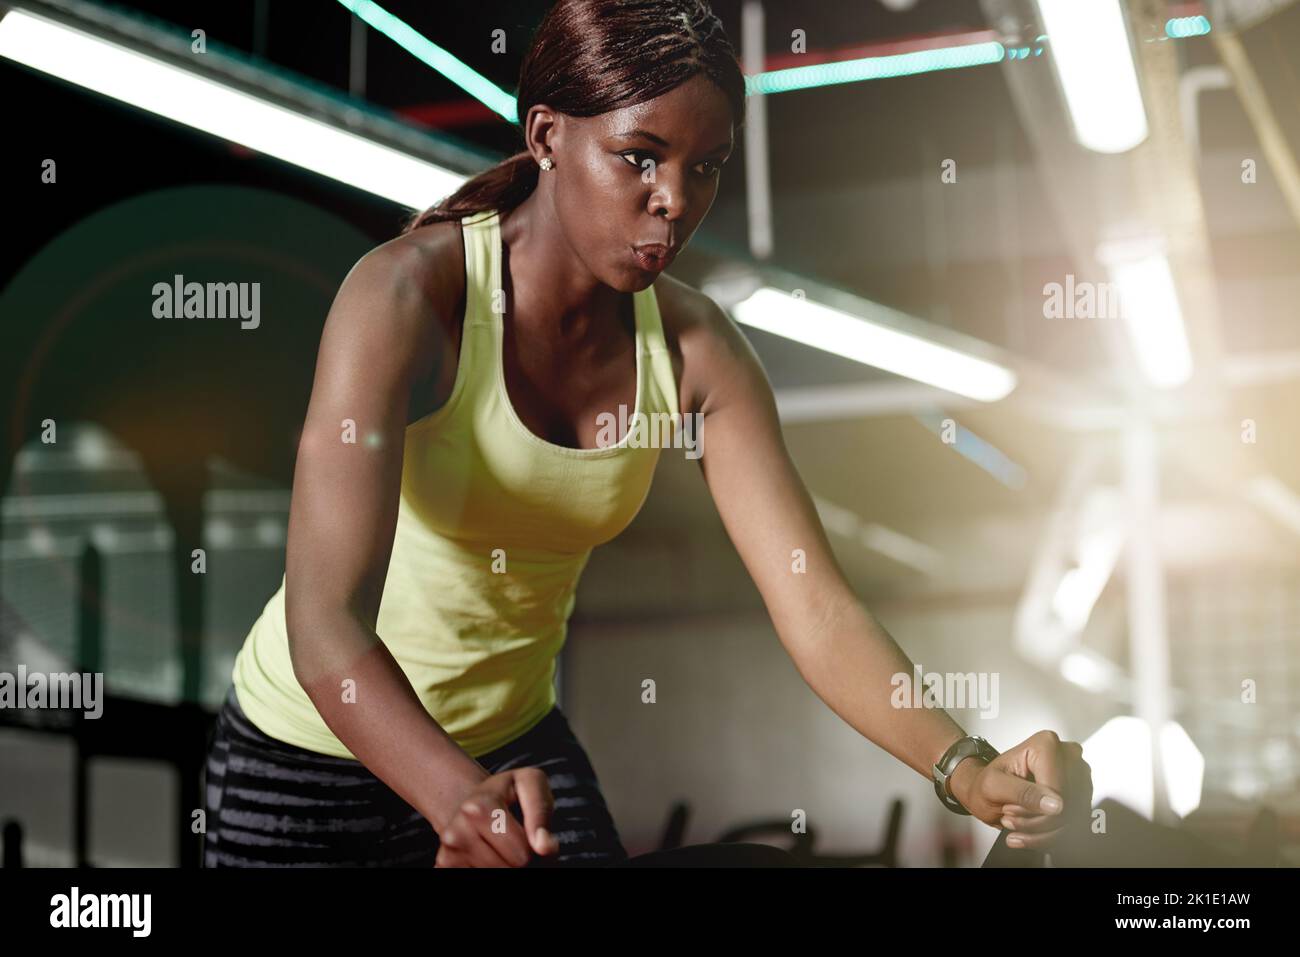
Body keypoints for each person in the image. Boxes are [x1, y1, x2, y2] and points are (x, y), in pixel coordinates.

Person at [204, 0, 1090, 868]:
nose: (674, 201)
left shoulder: (700, 354)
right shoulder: (406, 298)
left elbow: (814, 605)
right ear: (547, 136)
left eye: (705, 168)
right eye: (640, 157)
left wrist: (963, 768)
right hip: (307, 751)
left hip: (512, 744)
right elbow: (325, 622)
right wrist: (454, 797)